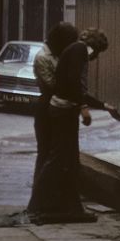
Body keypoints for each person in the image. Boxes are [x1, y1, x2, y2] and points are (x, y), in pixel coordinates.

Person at [27, 28, 111, 224]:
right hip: (64, 110)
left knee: (69, 160)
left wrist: (103, 105)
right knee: (59, 158)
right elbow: (74, 82)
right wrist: (83, 107)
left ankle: (69, 206)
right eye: (98, 52)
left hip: (63, 109)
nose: (96, 58)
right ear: (95, 47)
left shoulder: (74, 50)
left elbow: (75, 85)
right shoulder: (80, 51)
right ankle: (38, 203)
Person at [27, 21, 78, 215]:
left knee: (53, 154)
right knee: (46, 152)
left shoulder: (58, 55)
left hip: (55, 105)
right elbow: (52, 85)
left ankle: (51, 199)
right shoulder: (43, 57)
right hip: (47, 107)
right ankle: (38, 198)